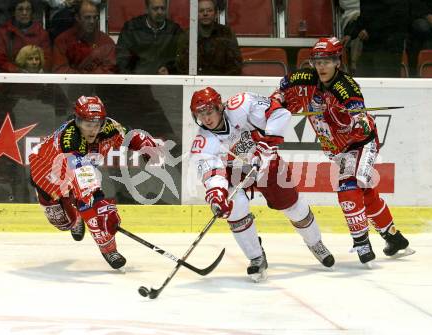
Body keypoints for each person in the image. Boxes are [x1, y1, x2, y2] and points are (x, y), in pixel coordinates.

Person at [275, 37, 413, 265]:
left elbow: (359, 114)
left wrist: (358, 121)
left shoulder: (345, 86)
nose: (321, 66)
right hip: (337, 149)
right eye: (317, 61)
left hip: (360, 144)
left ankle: (361, 243)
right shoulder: (306, 78)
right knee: (366, 192)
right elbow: (283, 88)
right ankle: (394, 237)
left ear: (337, 62)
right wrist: (277, 103)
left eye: (327, 61)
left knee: (347, 186)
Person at [189, 87, 335, 282]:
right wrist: (217, 196)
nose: (206, 118)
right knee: (235, 206)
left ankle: (315, 242)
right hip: (234, 172)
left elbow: (280, 113)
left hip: (265, 160)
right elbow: (213, 174)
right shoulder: (203, 142)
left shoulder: (241, 105)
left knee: (292, 206)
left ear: (219, 107)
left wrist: (268, 142)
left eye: (209, 112)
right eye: (200, 114)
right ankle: (256, 257)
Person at [29, 95, 161, 269]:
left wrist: (145, 144)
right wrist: (100, 206)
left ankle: (108, 249)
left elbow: (129, 136)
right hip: (46, 172)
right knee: (65, 223)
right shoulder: (71, 140)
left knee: (89, 205)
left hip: (76, 170)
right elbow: (87, 188)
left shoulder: (109, 127)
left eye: (97, 124)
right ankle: (75, 217)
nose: (92, 130)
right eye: (87, 125)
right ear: (77, 121)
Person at [115, 0, 183, 74]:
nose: (160, 12)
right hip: (137, 80)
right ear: (147, 9)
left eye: (163, 8)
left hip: (164, 80)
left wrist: (169, 70)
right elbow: (122, 58)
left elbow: (182, 59)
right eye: (155, 9)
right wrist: (133, 78)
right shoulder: (132, 28)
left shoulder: (174, 31)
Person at [176, 0, 242, 75]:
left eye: (209, 10)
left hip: (221, 83)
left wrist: (221, 82)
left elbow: (236, 65)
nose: (205, 14)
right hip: (194, 83)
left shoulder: (226, 33)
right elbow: (180, 66)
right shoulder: (187, 35)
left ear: (216, 14)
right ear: (195, 14)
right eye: (201, 11)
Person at [52, 0, 115, 74]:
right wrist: (84, 77)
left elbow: (110, 70)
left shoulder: (107, 42)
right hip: (71, 85)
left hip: (98, 85)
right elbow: (60, 70)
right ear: (77, 18)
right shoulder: (63, 41)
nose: (92, 21)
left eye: (95, 17)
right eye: (87, 17)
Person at [0, 0, 51, 73]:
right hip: (9, 79)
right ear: (13, 12)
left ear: (32, 12)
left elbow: (47, 58)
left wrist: (40, 71)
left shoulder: (42, 34)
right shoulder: (1, 33)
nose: (24, 13)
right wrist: (17, 71)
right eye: (20, 9)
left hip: (35, 78)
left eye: (28, 9)